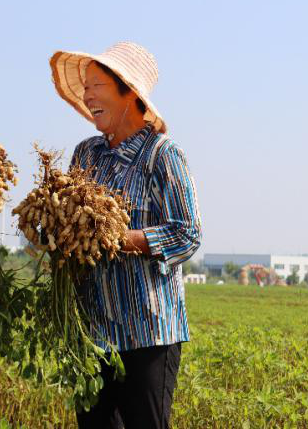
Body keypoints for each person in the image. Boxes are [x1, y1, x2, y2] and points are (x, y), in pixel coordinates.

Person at [49, 41, 202, 428]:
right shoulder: (86, 155)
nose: (87, 95)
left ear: (129, 92)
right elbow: (69, 224)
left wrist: (120, 237)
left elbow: (187, 233)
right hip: (93, 326)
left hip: (148, 330)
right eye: (85, 87)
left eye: (96, 85)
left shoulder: (161, 155)